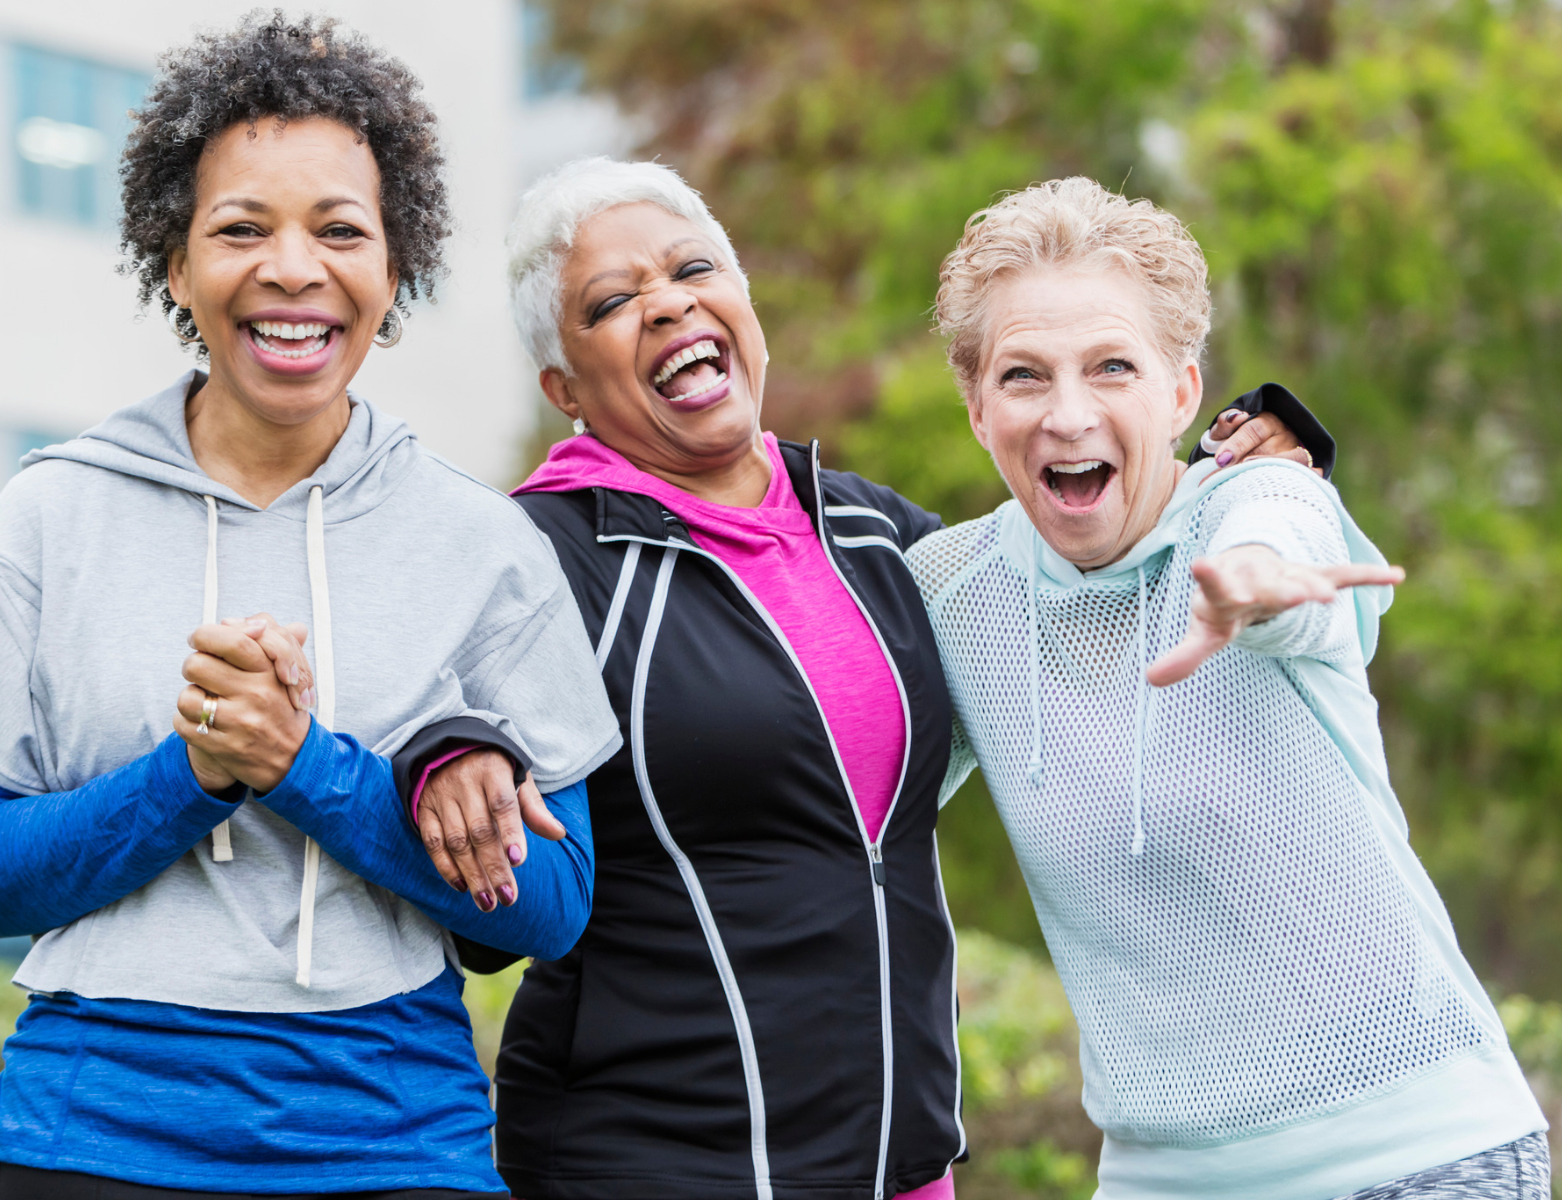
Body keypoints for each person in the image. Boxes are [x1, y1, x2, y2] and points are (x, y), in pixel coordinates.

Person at [401, 158, 1310, 1200]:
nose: (666, 304)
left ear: (744, 307)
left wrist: (1251, 469)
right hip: (650, 1166)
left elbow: (1088, 578)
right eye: (610, 303)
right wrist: (447, 750)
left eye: (692, 269)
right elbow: (432, 727)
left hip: (900, 1163)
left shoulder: (879, 535)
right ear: (564, 387)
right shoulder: (534, 556)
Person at [0, 16, 619, 1198]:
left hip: (396, 1144)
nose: (292, 269)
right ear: (175, 266)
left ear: (393, 268)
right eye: (241, 229)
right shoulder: (46, 518)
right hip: (95, 1140)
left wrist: (304, 767)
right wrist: (193, 773)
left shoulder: (484, 545)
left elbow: (550, 907)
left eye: (339, 230)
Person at [907, 176, 1550, 1200]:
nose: (1067, 414)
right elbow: (840, 796)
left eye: (1112, 366)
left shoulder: (1257, 496)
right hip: (1159, 1179)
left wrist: (1257, 581)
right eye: (1024, 376)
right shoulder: (949, 592)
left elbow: (1276, 538)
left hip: (1418, 1157)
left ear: (1181, 392)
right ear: (978, 409)